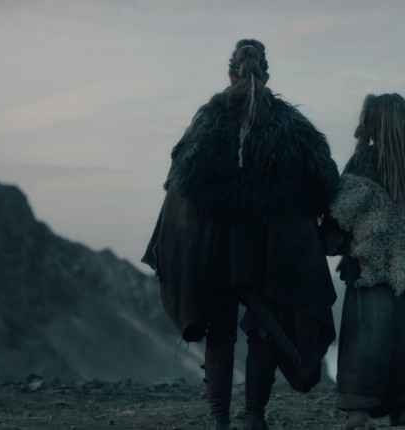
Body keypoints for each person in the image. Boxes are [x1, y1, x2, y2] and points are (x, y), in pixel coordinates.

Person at [142, 39, 339, 430]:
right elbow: (326, 180)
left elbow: (179, 177)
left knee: (220, 332)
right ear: (267, 75)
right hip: (272, 251)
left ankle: (218, 419)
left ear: (231, 74)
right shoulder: (291, 124)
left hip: (215, 251)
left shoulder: (208, 118)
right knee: (264, 330)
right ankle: (253, 417)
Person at [322, 93, 405, 429]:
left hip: (370, 272)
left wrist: (340, 245)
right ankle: (402, 409)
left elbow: (337, 223)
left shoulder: (361, 165)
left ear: (373, 125)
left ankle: (357, 410)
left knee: (367, 337)